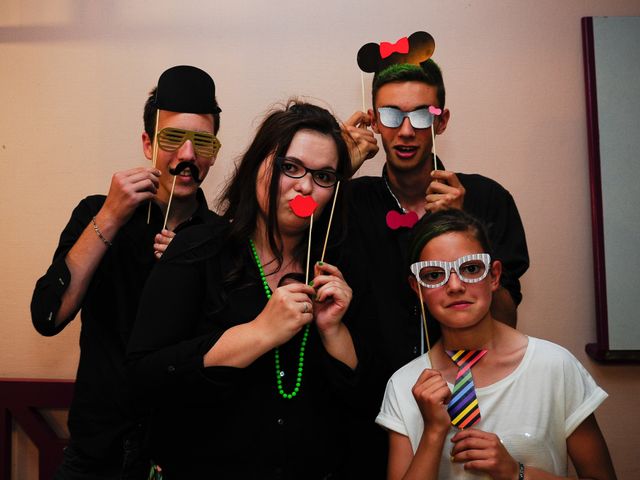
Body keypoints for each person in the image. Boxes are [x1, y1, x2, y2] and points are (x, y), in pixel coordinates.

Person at [127, 100, 364, 479]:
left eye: (324, 177)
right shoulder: (198, 250)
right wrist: (258, 334)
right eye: (290, 167)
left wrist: (335, 331)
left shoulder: (337, 265)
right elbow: (144, 377)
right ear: (257, 167)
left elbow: (354, 408)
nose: (305, 186)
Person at [30, 65, 223, 479]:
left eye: (202, 142)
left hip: (181, 458)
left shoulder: (221, 238)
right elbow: (48, 316)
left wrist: (191, 266)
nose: (187, 156)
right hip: (95, 457)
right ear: (148, 143)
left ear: (212, 152)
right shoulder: (96, 213)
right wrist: (111, 216)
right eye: (173, 139)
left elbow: (222, 351)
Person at [342, 56, 530, 476]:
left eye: (421, 115)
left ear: (441, 121)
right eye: (391, 115)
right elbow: (291, 253)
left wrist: (465, 230)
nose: (405, 130)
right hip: (364, 409)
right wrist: (336, 172)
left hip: (472, 406)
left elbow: (506, 317)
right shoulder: (349, 202)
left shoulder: (488, 199)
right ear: (373, 121)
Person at [376, 209, 616, 479]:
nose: (455, 286)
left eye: (470, 269)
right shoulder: (404, 385)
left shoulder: (554, 366)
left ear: (494, 276)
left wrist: (516, 473)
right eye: (433, 275)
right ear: (417, 288)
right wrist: (433, 432)